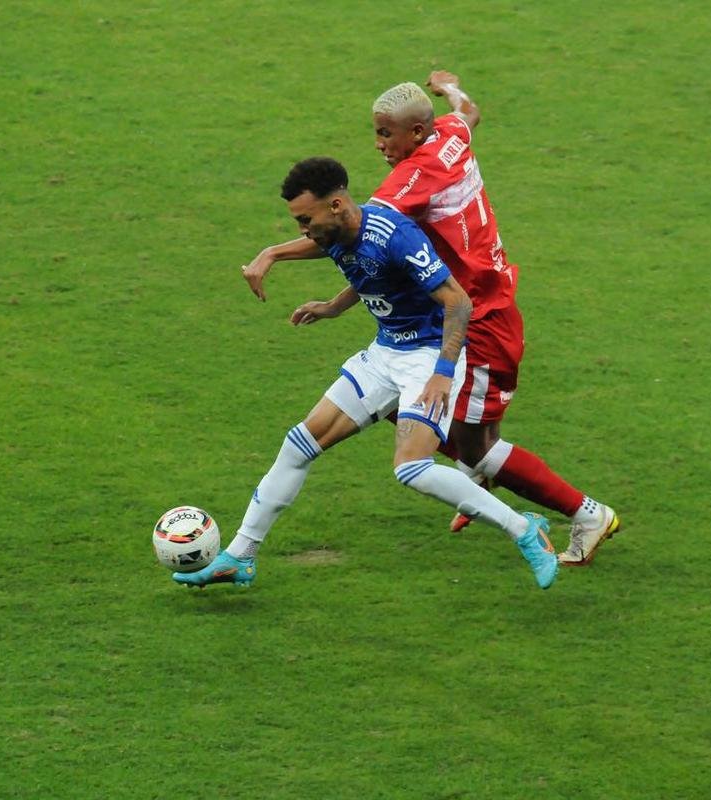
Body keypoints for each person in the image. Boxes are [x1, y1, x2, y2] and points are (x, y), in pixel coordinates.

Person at [240, 74, 620, 567]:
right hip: (478, 298)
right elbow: (469, 112)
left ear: (417, 133)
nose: (378, 145)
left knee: (475, 446)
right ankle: (468, 475)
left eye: (385, 134)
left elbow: (353, 234)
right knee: (417, 417)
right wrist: (451, 87)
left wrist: (273, 253)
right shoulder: (451, 134)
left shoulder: (407, 184)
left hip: (475, 317)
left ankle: (586, 514)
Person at [175, 157, 559, 590]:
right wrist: (317, 294)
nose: (303, 229)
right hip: (386, 352)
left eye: (306, 219)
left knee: (411, 468)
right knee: (299, 444)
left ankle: (526, 530)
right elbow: (352, 259)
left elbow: (458, 302)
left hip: (428, 357)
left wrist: (442, 373)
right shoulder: (337, 229)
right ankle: (240, 557)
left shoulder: (397, 236)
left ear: (336, 204)